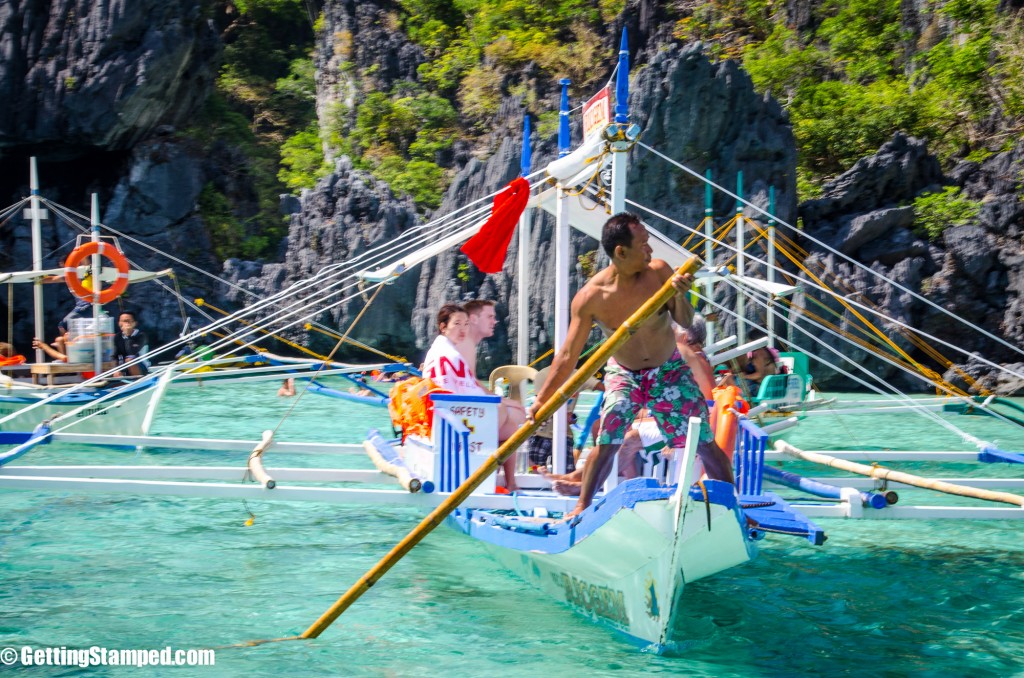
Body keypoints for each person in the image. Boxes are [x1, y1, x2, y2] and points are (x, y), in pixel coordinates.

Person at [527, 212, 734, 519]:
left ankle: (733, 503)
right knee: (608, 437)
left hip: (669, 370)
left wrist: (680, 295)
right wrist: (542, 400)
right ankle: (582, 507)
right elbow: (568, 354)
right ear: (621, 252)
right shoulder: (591, 298)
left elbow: (686, 321)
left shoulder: (659, 272)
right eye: (644, 245)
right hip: (624, 373)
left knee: (704, 440)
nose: (650, 251)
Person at [422, 303, 527, 491]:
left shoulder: (445, 350)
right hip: (451, 417)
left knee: (511, 427)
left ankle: (508, 482)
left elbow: (466, 385)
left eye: (465, 324)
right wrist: (499, 402)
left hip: (448, 412)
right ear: (443, 326)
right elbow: (462, 389)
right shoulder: (450, 355)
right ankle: (488, 478)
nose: (462, 329)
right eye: (457, 324)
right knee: (506, 414)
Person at [455, 298, 497, 379]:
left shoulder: (463, 343)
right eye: (490, 317)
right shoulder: (465, 346)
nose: (494, 321)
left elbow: (471, 383)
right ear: (474, 319)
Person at [114, 311, 149, 376]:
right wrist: (116, 369)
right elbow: (116, 355)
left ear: (134, 323)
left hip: (140, 366)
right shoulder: (117, 337)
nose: (125, 324)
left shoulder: (141, 336)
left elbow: (132, 352)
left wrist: (128, 335)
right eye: (123, 321)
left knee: (130, 359)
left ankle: (138, 380)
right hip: (123, 366)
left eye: (128, 321)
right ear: (119, 323)